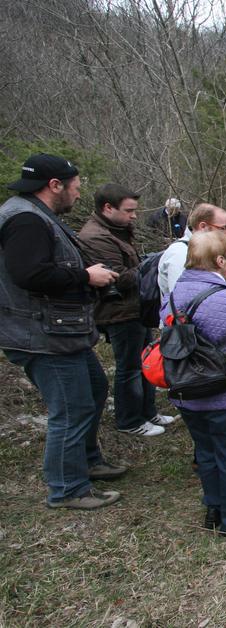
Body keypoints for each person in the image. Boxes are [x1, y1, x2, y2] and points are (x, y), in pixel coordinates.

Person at [0, 153, 124, 509]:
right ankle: (67, 487)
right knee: (70, 409)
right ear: (54, 185)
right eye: (75, 186)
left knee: (95, 389)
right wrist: (86, 276)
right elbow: (29, 275)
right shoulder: (25, 220)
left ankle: (87, 460)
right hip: (42, 336)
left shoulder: (35, 216)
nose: (78, 193)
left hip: (61, 332)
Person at [162, 231, 226, 534]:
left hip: (186, 388)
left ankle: (214, 508)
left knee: (205, 451)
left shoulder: (172, 296)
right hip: (225, 389)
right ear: (220, 261)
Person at [78, 183, 174, 437]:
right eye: (129, 210)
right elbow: (117, 278)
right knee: (129, 367)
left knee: (144, 361)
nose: (134, 216)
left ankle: (147, 411)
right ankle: (130, 420)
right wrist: (153, 264)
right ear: (108, 208)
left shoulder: (116, 230)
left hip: (135, 308)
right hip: (119, 312)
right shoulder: (96, 237)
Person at [158, 203, 226, 301]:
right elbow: (182, 301)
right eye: (223, 228)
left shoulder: (205, 250)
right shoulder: (180, 254)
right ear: (203, 226)